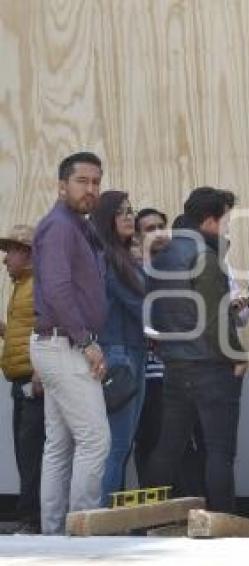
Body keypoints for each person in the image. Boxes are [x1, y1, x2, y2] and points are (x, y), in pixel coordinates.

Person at [145, 187, 245, 512]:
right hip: (211, 366)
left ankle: (147, 516)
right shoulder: (206, 256)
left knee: (168, 447)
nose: (226, 229)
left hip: (175, 363)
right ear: (209, 220)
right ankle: (221, 522)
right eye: (224, 221)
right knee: (219, 450)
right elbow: (216, 318)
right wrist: (237, 355)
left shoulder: (164, 253)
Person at [30, 151, 109, 535]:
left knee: (59, 447)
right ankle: (81, 537)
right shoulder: (61, 226)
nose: (90, 189)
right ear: (62, 186)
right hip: (66, 344)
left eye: (96, 182)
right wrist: (87, 341)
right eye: (82, 181)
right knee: (95, 441)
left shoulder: (77, 225)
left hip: (59, 344)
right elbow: (59, 290)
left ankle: (54, 536)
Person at [90, 191, 147, 505]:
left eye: (131, 211)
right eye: (121, 212)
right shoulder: (110, 259)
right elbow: (143, 306)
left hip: (133, 351)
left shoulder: (123, 257)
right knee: (117, 445)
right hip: (119, 354)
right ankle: (104, 521)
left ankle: (110, 518)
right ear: (106, 218)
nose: (129, 217)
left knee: (120, 446)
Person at [0, 224, 44, 533]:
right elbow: (25, 331)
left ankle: (33, 518)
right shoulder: (22, 285)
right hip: (22, 381)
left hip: (34, 382)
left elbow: (47, 328)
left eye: (10, 252)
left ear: (26, 253)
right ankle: (31, 515)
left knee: (32, 453)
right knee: (24, 450)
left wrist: (40, 372)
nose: (4, 260)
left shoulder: (38, 284)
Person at [132, 208, 169, 485]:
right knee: (147, 440)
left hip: (176, 371)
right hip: (144, 370)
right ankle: (148, 513)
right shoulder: (134, 271)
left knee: (172, 445)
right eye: (149, 228)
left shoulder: (179, 267)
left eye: (160, 226)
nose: (157, 233)